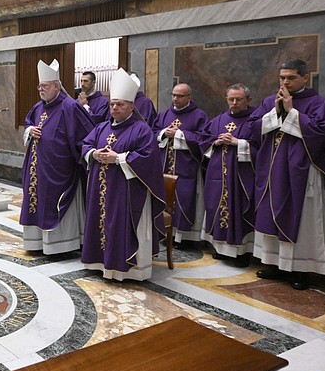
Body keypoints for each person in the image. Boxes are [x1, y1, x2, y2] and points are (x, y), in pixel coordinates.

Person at [243, 59, 325, 290]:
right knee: (270, 214)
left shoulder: (318, 103)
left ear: (305, 78)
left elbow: (321, 132)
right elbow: (251, 128)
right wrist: (275, 113)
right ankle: (274, 263)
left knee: (303, 219)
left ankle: (301, 269)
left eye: (291, 77)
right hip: (272, 170)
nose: (285, 82)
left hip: (302, 173)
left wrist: (292, 112)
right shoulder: (269, 101)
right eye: (282, 77)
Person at [81, 68, 166, 280]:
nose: (115, 108)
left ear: (131, 106)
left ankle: (128, 270)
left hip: (127, 191)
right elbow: (85, 144)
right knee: (101, 223)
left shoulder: (141, 129)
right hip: (100, 188)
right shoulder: (101, 128)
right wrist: (94, 153)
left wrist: (118, 158)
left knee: (120, 225)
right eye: (112, 104)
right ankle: (100, 263)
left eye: (120, 104)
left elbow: (148, 158)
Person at [20, 59, 96, 254]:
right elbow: (28, 122)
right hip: (37, 167)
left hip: (60, 170)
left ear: (56, 87)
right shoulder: (38, 107)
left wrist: (82, 155)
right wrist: (30, 130)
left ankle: (61, 245)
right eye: (39, 86)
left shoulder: (70, 107)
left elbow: (88, 133)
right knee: (35, 199)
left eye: (44, 86)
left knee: (54, 203)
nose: (40, 90)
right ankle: (36, 243)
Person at [199, 84, 257, 266]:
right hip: (217, 174)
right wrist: (215, 142)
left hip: (241, 176)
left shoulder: (255, 120)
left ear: (248, 100)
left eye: (238, 99)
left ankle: (242, 252)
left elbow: (262, 148)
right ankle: (222, 248)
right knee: (217, 206)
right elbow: (203, 140)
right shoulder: (218, 120)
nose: (234, 103)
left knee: (238, 208)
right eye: (231, 99)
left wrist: (238, 142)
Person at [153, 83, 208, 245]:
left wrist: (179, 135)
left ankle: (185, 236)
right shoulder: (164, 115)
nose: (175, 99)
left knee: (185, 198)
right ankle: (166, 231)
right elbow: (153, 132)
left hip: (187, 167)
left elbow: (203, 139)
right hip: (165, 164)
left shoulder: (199, 116)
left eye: (180, 96)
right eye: (173, 95)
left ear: (189, 97)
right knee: (165, 197)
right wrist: (164, 133)